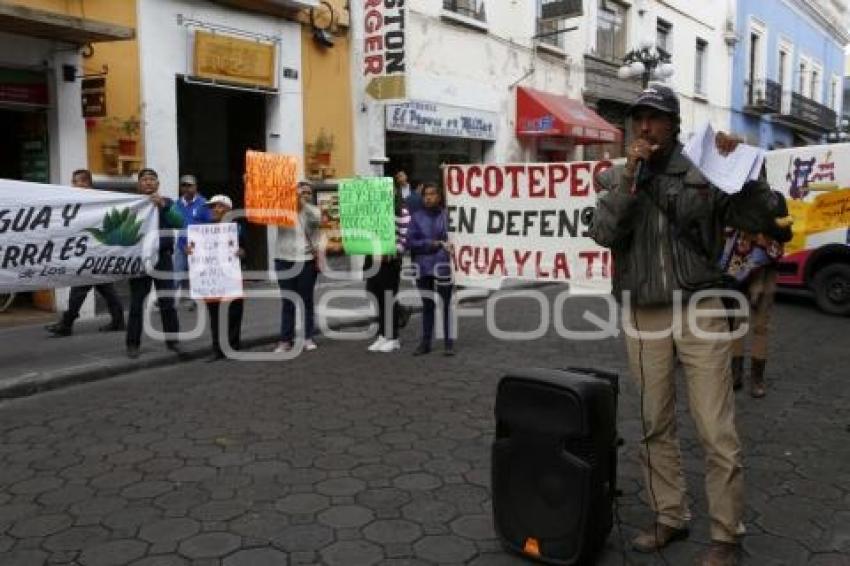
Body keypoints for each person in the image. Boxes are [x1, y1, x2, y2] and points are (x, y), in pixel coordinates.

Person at [589, 84, 781, 566]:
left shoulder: (704, 169)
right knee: (654, 420)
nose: (645, 127)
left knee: (715, 427)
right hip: (643, 308)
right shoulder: (619, 176)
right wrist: (631, 175)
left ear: (674, 125)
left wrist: (748, 170)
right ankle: (668, 515)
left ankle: (726, 534)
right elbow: (605, 233)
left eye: (655, 118)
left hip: (701, 306)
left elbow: (761, 215)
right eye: (639, 119)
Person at [721, 200, 792, 397]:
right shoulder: (735, 198)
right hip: (738, 271)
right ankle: (735, 374)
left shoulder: (775, 199)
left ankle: (756, 378)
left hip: (765, 273)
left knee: (761, 326)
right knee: (736, 324)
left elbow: (787, 233)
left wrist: (763, 234)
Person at [45, 169, 125, 336]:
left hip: (96, 252)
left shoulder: (98, 201)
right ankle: (118, 321)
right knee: (106, 289)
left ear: (87, 183)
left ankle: (66, 325)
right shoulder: (75, 201)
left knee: (80, 289)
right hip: (86, 252)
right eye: (74, 181)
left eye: (79, 181)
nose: (75, 185)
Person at [126, 168, 186, 359]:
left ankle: (173, 341)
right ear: (139, 185)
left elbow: (179, 221)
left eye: (152, 179)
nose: (149, 182)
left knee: (167, 302)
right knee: (137, 303)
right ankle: (132, 344)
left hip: (163, 258)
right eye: (144, 179)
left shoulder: (168, 202)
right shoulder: (131, 204)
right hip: (140, 259)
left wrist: (164, 207)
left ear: (158, 185)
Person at [407, 182, 454, 356]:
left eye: (433, 193)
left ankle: (448, 342)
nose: (428, 197)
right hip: (423, 266)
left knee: (446, 305)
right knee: (427, 305)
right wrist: (432, 243)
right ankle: (425, 342)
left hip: (444, 266)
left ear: (439, 196)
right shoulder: (416, 217)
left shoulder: (448, 216)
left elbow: (458, 239)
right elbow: (410, 242)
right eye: (426, 194)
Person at [274, 180, 321, 353]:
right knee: (288, 301)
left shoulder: (313, 211)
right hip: (283, 259)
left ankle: (308, 337)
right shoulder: (282, 211)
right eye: (302, 192)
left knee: (306, 301)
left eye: (308, 193)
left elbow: (316, 221)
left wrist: (301, 203)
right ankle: (285, 340)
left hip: (306, 261)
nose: (305, 195)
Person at [198, 195, 244, 362]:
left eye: (219, 206)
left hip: (231, 278)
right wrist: (191, 251)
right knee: (215, 315)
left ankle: (233, 347)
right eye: (213, 207)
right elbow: (196, 251)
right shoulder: (202, 231)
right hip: (213, 280)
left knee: (233, 313)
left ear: (229, 210)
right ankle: (217, 349)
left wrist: (241, 252)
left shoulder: (236, 228)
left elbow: (245, 250)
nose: (215, 210)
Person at [365, 187, 410, 353]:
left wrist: (393, 251)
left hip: (389, 263)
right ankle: (383, 335)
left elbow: (405, 237)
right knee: (378, 298)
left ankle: (393, 337)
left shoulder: (402, 212)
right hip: (372, 261)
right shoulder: (373, 212)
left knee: (388, 299)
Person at [174, 174, 209, 310]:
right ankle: (168, 300)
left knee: (197, 274)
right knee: (177, 273)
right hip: (182, 244)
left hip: (198, 246)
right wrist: (183, 246)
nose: (186, 188)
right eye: (184, 185)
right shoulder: (177, 204)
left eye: (189, 185)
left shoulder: (203, 203)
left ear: (195, 187)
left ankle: (197, 300)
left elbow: (208, 224)